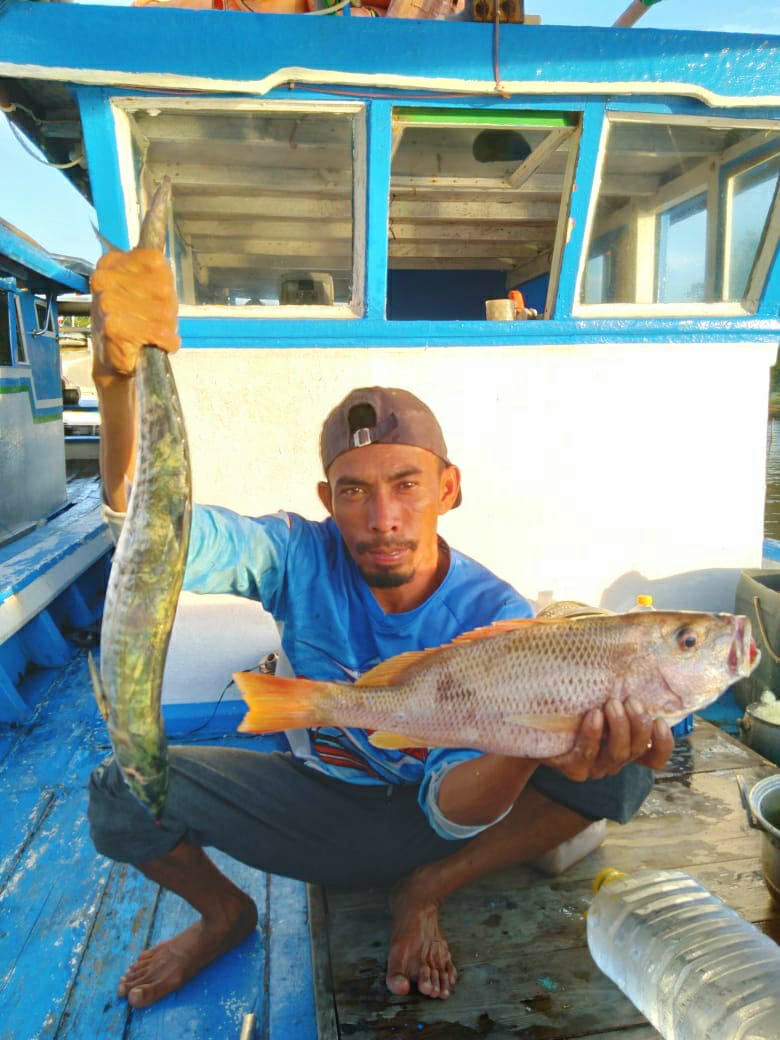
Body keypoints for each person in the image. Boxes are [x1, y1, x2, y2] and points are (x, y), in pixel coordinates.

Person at [87, 246, 674, 1010]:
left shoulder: (495, 616)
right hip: (324, 806)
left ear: (447, 489)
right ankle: (227, 914)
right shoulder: (297, 552)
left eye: (407, 486)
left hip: (447, 824)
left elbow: (453, 807)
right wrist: (117, 386)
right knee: (118, 789)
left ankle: (426, 892)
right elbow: (149, 525)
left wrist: (527, 745)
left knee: (631, 756)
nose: (383, 517)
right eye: (356, 492)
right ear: (327, 498)